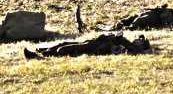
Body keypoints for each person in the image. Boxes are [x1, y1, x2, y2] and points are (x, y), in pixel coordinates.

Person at [24, 33, 152, 58]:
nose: (138, 39)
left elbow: (119, 50)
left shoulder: (132, 48)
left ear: (141, 46)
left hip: (96, 48)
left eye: (141, 41)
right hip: (95, 42)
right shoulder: (126, 41)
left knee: (65, 49)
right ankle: (42, 50)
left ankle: (40, 56)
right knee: (65, 43)